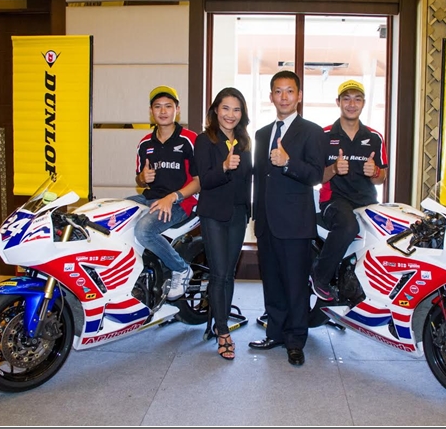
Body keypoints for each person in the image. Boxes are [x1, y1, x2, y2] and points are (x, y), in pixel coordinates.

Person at [249, 70, 324, 366]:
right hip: (267, 222)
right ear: (271, 97)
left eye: (290, 91)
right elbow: (259, 177)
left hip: (295, 222)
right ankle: (275, 333)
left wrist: (288, 162)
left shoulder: (312, 131)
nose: (284, 97)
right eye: (278, 91)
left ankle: (295, 341)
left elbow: (315, 175)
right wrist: (256, 216)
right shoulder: (261, 134)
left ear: (299, 96)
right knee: (272, 282)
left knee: (295, 285)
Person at [310, 79, 388, 301]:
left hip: (368, 201)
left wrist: (374, 172)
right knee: (347, 225)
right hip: (334, 199)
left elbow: (381, 178)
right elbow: (315, 177)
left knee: (388, 235)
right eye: (347, 99)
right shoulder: (324, 135)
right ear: (338, 102)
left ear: (363, 103)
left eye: (357, 99)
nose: (352, 104)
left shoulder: (374, 137)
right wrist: (334, 168)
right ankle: (320, 276)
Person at [194, 87, 252, 360]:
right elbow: (204, 180)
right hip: (214, 214)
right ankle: (223, 332)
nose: (231, 114)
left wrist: (249, 210)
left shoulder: (245, 141)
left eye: (236, 109)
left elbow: (248, 179)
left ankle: (221, 321)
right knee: (218, 273)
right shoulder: (204, 140)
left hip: (238, 214)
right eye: (226, 108)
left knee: (229, 273)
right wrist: (224, 167)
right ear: (216, 110)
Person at [128, 85, 201, 301]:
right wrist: (143, 178)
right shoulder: (144, 143)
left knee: (144, 231)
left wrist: (173, 197)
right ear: (151, 111)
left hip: (182, 201)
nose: (163, 111)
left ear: (177, 110)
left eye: (168, 106)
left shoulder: (189, 140)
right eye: (157, 106)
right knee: (113, 215)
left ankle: (181, 268)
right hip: (151, 198)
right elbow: (139, 179)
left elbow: (199, 182)